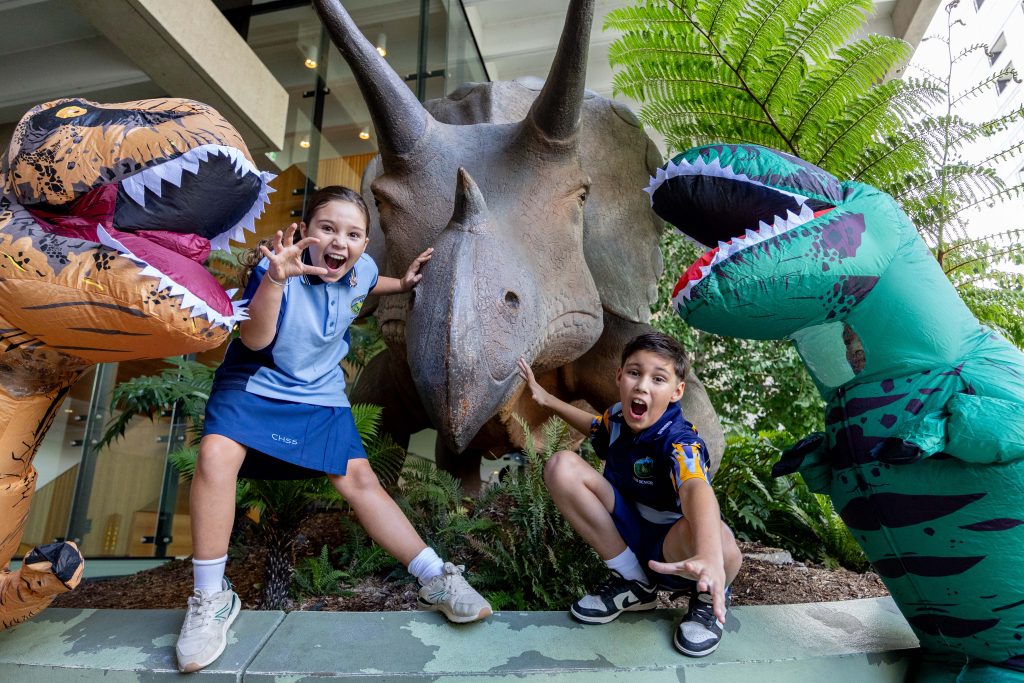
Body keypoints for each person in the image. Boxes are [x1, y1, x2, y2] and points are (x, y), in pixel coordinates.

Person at [175, 186, 492, 673]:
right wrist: (275, 279)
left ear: (364, 243)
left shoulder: (362, 269)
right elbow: (255, 339)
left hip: (318, 391)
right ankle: (210, 598)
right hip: (257, 381)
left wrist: (404, 283)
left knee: (360, 479)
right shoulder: (273, 272)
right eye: (327, 228)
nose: (340, 241)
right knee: (216, 455)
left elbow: (370, 283)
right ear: (304, 232)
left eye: (353, 234)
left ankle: (436, 577)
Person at [517, 332, 741, 657]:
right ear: (619, 376)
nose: (642, 386)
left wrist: (708, 555)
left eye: (658, 378)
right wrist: (547, 399)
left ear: (677, 391)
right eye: (635, 373)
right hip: (628, 529)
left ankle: (707, 598)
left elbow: (696, 487)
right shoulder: (618, 418)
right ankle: (634, 582)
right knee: (561, 466)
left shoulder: (681, 441)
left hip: (673, 550)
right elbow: (596, 427)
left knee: (724, 546)